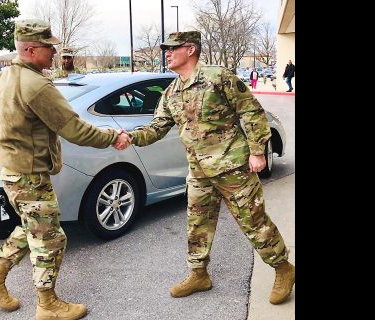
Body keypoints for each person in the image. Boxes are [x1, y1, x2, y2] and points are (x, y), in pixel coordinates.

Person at [117, 31, 294, 305]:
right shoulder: (172, 92)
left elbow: (251, 111)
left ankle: (283, 269)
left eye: (172, 49)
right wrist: (130, 137)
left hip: (232, 167)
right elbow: (157, 127)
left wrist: (258, 151)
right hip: (199, 172)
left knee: (253, 222)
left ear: (190, 49)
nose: (167, 53)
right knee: (197, 225)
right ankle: (199, 274)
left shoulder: (217, 77)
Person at [0, 19, 131, 320]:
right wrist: (114, 138)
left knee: (29, 227)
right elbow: (75, 130)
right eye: (49, 47)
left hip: (11, 169)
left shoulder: (1, 78)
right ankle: (48, 305)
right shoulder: (37, 85)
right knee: (51, 238)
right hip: (29, 174)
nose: (54, 53)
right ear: (31, 50)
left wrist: (2, 150)